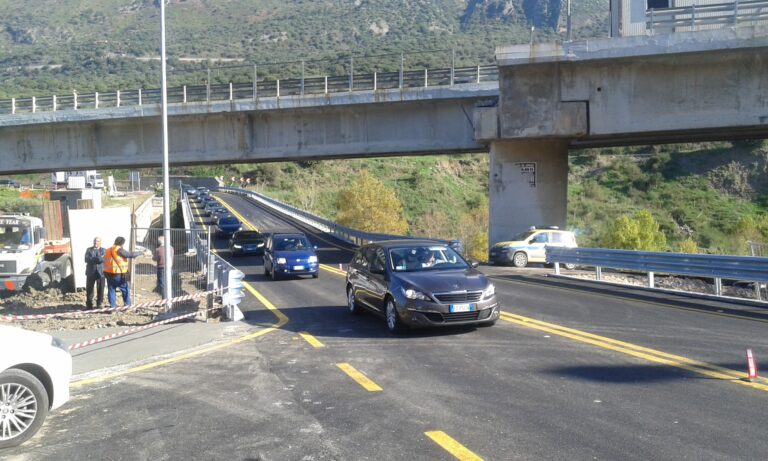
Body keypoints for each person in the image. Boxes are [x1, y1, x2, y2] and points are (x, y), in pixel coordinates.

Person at [103, 236, 149, 309]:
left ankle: (112, 307)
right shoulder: (118, 250)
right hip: (118, 274)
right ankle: (127, 306)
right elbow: (129, 255)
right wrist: (141, 252)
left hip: (108, 273)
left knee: (111, 290)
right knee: (125, 289)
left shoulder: (108, 250)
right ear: (122, 243)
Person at [84, 237, 106, 309]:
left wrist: (93, 259)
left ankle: (99, 303)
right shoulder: (89, 250)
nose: (95, 242)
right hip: (91, 271)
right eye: (95, 241)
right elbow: (86, 259)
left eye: (97, 241)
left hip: (101, 272)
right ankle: (89, 304)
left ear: (100, 242)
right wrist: (97, 258)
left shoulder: (103, 250)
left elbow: (103, 259)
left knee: (100, 289)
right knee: (89, 288)